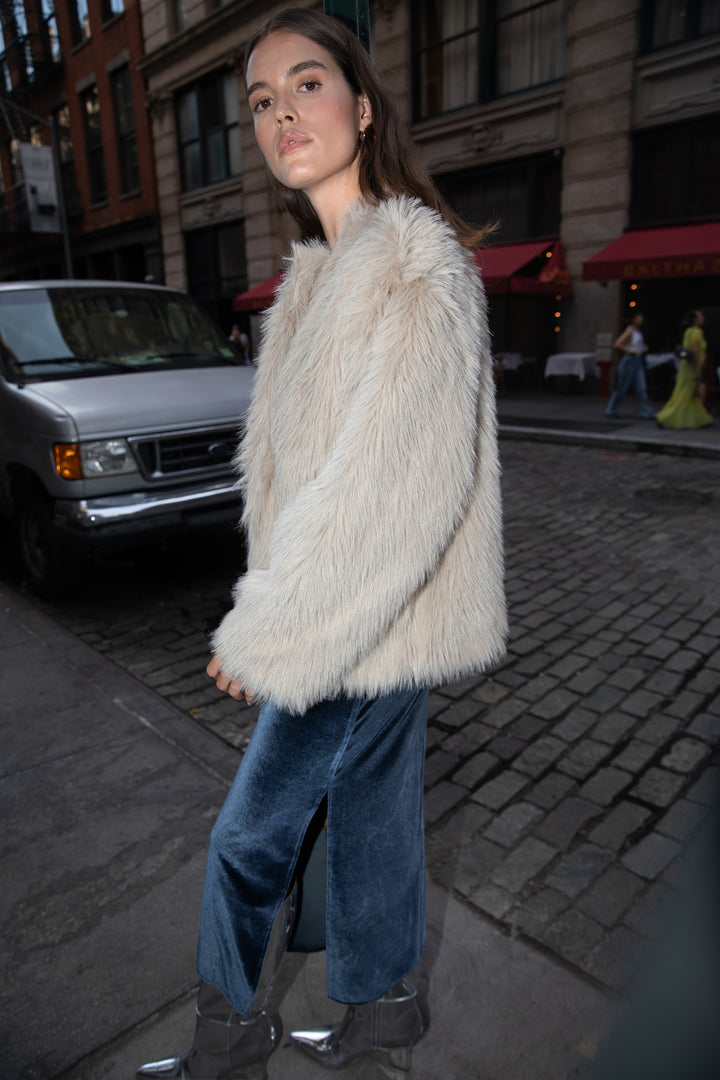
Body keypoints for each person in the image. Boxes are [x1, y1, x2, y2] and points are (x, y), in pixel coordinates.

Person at [137, 8, 506, 1078]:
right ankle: (385, 1016)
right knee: (374, 824)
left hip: (356, 615)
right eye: (261, 101)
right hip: (375, 618)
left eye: (306, 84)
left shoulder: (411, 265)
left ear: (363, 104)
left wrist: (270, 631)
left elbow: (390, 492)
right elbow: (303, 481)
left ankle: (226, 1034)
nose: (281, 114)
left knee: (249, 836)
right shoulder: (311, 282)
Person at [656, 310, 713, 430]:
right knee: (685, 394)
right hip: (692, 368)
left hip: (686, 367)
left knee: (688, 394)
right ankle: (667, 417)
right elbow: (696, 351)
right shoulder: (697, 332)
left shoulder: (688, 331)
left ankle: (701, 419)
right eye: (701, 316)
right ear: (695, 319)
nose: (703, 318)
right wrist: (698, 369)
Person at [605, 312, 655, 419]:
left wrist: (643, 348)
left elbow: (637, 345)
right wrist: (629, 351)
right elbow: (618, 344)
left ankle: (647, 412)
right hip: (629, 360)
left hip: (638, 360)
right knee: (621, 388)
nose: (641, 319)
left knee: (641, 388)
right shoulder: (629, 330)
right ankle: (611, 410)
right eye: (639, 317)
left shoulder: (639, 331)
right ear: (634, 318)